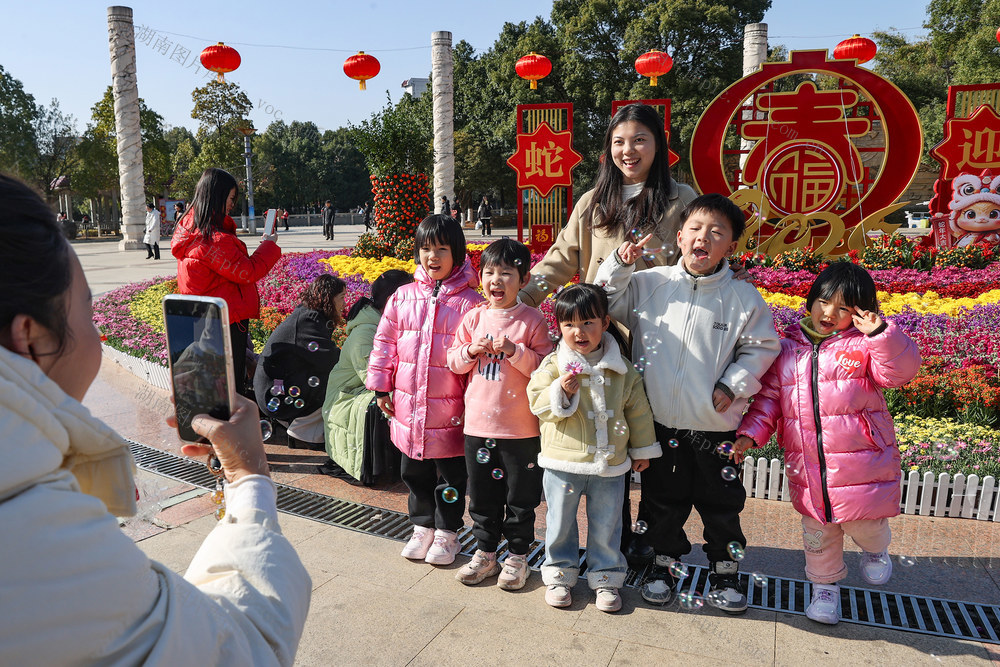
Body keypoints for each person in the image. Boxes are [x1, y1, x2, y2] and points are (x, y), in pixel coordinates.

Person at [0, 173, 310, 664]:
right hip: (226, 324)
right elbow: (245, 647)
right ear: (30, 336)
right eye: (88, 308)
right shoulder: (43, 541)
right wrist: (249, 477)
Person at [596, 193, 781, 613]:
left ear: (731, 247)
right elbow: (603, 301)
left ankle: (725, 571)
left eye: (717, 233)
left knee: (722, 505)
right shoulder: (650, 283)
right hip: (659, 423)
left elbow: (762, 348)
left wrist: (734, 384)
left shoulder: (743, 298)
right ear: (679, 237)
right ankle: (663, 564)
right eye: (695, 229)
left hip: (715, 425)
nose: (704, 238)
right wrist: (621, 264)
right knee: (662, 500)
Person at [734, 262, 920, 625]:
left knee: (864, 522)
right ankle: (825, 590)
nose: (829, 313)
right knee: (818, 533)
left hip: (860, 463)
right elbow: (769, 400)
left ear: (861, 312)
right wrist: (749, 433)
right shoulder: (788, 348)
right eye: (823, 301)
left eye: (843, 308)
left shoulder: (866, 346)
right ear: (810, 300)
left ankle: (875, 548)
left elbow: (901, 372)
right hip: (807, 465)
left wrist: (881, 334)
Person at [526, 283, 660, 613]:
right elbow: (537, 404)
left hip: (609, 464)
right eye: (569, 324)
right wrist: (561, 391)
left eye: (588, 322)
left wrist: (642, 449)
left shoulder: (623, 370)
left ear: (605, 322)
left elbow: (638, 411)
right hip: (563, 462)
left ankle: (606, 576)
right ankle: (560, 573)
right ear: (559, 327)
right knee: (559, 522)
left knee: (608, 523)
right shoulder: (554, 365)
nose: (579, 332)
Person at [367, 214, 484, 565]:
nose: (432, 256)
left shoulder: (471, 304)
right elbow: (384, 344)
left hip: (451, 410)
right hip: (408, 404)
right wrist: (380, 387)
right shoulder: (402, 297)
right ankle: (422, 527)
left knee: (450, 474)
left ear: (458, 254)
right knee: (413, 471)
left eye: (442, 249)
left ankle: (448, 533)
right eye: (426, 248)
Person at [447, 239, 553, 590]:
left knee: (520, 499)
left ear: (523, 280)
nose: (496, 280)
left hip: (521, 430)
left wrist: (514, 351)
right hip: (478, 425)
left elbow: (543, 368)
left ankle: (518, 556)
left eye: (506, 273)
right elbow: (453, 361)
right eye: (489, 272)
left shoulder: (532, 321)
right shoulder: (474, 317)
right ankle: (486, 553)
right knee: (482, 497)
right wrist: (470, 350)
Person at [172, 168, 281, 395]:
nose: (232, 204)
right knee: (231, 389)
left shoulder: (190, 229)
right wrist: (269, 243)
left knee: (214, 387)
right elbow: (248, 271)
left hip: (204, 320)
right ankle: (230, 429)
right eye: (231, 198)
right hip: (225, 322)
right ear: (217, 196)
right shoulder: (213, 240)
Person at [322, 269, 413, 484]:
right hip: (347, 397)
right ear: (394, 299)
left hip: (360, 390)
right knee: (385, 401)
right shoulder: (366, 332)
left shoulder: (387, 324)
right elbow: (374, 381)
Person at [254, 274, 346, 450]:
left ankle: (308, 427)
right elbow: (329, 358)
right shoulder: (308, 320)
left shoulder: (311, 315)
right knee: (332, 377)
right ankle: (304, 430)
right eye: (341, 297)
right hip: (275, 393)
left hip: (281, 384)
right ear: (328, 297)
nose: (344, 304)